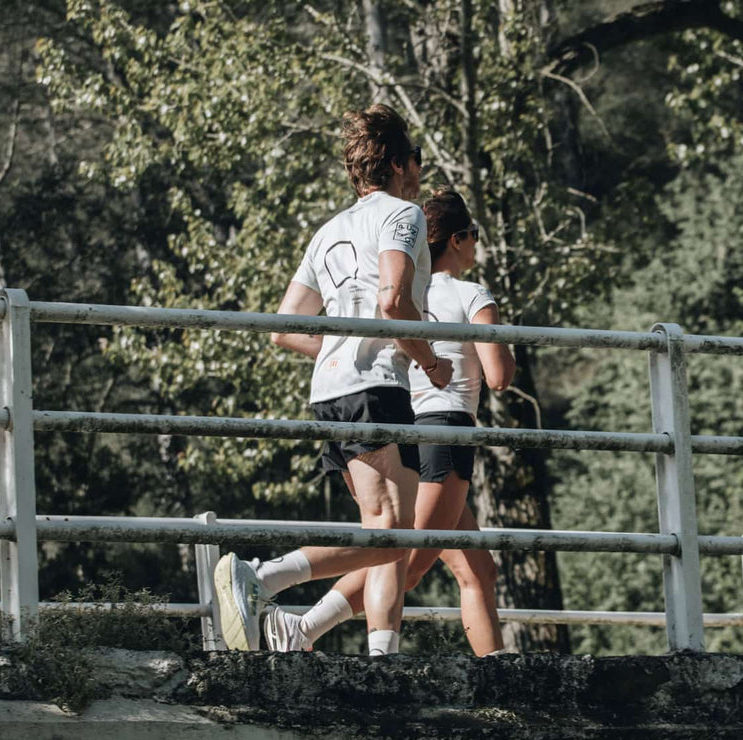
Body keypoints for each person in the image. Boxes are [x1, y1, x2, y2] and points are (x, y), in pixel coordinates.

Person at [212, 103, 453, 655]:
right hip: (374, 386)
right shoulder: (403, 213)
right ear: (396, 163)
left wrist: (342, 349)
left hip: (336, 387)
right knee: (391, 531)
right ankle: (263, 577)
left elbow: (284, 326)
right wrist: (432, 362)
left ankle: (381, 654)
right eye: (415, 160)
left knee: (388, 534)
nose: (419, 172)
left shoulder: (328, 230)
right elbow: (393, 302)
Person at [264, 189, 515, 656]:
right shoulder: (471, 294)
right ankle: (302, 627)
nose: (477, 245)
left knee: (477, 570)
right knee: (406, 558)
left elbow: (289, 327)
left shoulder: (415, 287)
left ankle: (497, 671)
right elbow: (499, 376)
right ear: (458, 240)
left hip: (406, 424)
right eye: (474, 236)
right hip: (448, 430)